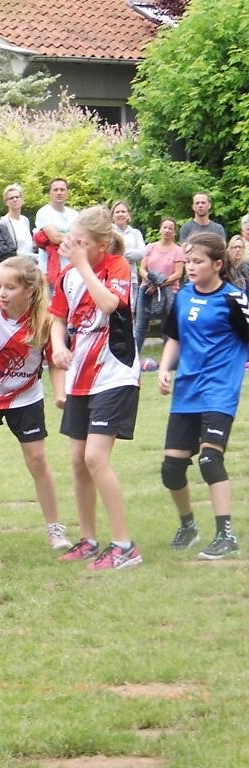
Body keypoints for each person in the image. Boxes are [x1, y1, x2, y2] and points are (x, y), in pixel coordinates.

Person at [0, 256, 70, 552]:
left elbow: (54, 362)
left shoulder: (44, 318)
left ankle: (55, 529)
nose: (2, 293)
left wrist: (60, 393)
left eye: (9, 287)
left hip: (26, 396)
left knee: (38, 460)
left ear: (28, 290)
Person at [49, 205, 142, 571]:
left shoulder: (118, 267)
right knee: (77, 461)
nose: (74, 247)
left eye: (82, 242)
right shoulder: (68, 276)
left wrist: (83, 265)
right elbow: (57, 318)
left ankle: (125, 546)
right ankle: (88, 539)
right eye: (74, 240)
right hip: (81, 378)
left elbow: (109, 304)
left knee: (95, 458)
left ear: (102, 244)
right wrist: (58, 346)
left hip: (114, 375)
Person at [158, 232, 249, 561]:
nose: (191, 267)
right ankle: (188, 525)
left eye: (198, 261)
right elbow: (174, 337)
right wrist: (166, 368)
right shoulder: (182, 296)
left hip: (219, 391)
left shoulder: (234, 299)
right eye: (189, 261)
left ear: (218, 264)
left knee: (210, 460)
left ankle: (226, 535)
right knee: (171, 469)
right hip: (187, 390)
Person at [135, 217, 185, 354]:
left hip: (169, 292)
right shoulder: (150, 247)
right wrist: (150, 281)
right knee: (140, 325)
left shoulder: (178, 251)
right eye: (165, 227)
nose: (167, 230)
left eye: (171, 228)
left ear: (174, 232)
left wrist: (159, 284)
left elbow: (178, 274)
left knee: (167, 327)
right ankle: (133, 359)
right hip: (147, 291)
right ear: (160, 229)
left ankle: (169, 360)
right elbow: (142, 269)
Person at [34, 178, 78, 290]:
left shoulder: (74, 214)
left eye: (62, 189)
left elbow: (82, 237)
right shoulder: (44, 212)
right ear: (50, 193)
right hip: (49, 269)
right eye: (55, 190)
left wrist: (66, 236)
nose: (59, 192)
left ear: (67, 192)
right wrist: (72, 237)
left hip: (72, 266)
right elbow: (55, 238)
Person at [111, 200, 145, 300]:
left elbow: (142, 253)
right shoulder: (108, 232)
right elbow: (107, 253)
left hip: (131, 278)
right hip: (112, 277)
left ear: (128, 215)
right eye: (117, 212)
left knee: (130, 310)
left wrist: (120, 254)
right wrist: (130, 255)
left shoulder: (135, 233)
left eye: (123, 211)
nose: (120, 214)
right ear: (112, 216)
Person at [0, 184, 36, 260]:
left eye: (17, 197)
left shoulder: (25, 220)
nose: (15, 199)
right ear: (6, 202)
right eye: (11, 198)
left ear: (22, 199)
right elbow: (8, 250)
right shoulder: (3, 222)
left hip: (30, 263)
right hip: (15, 263)